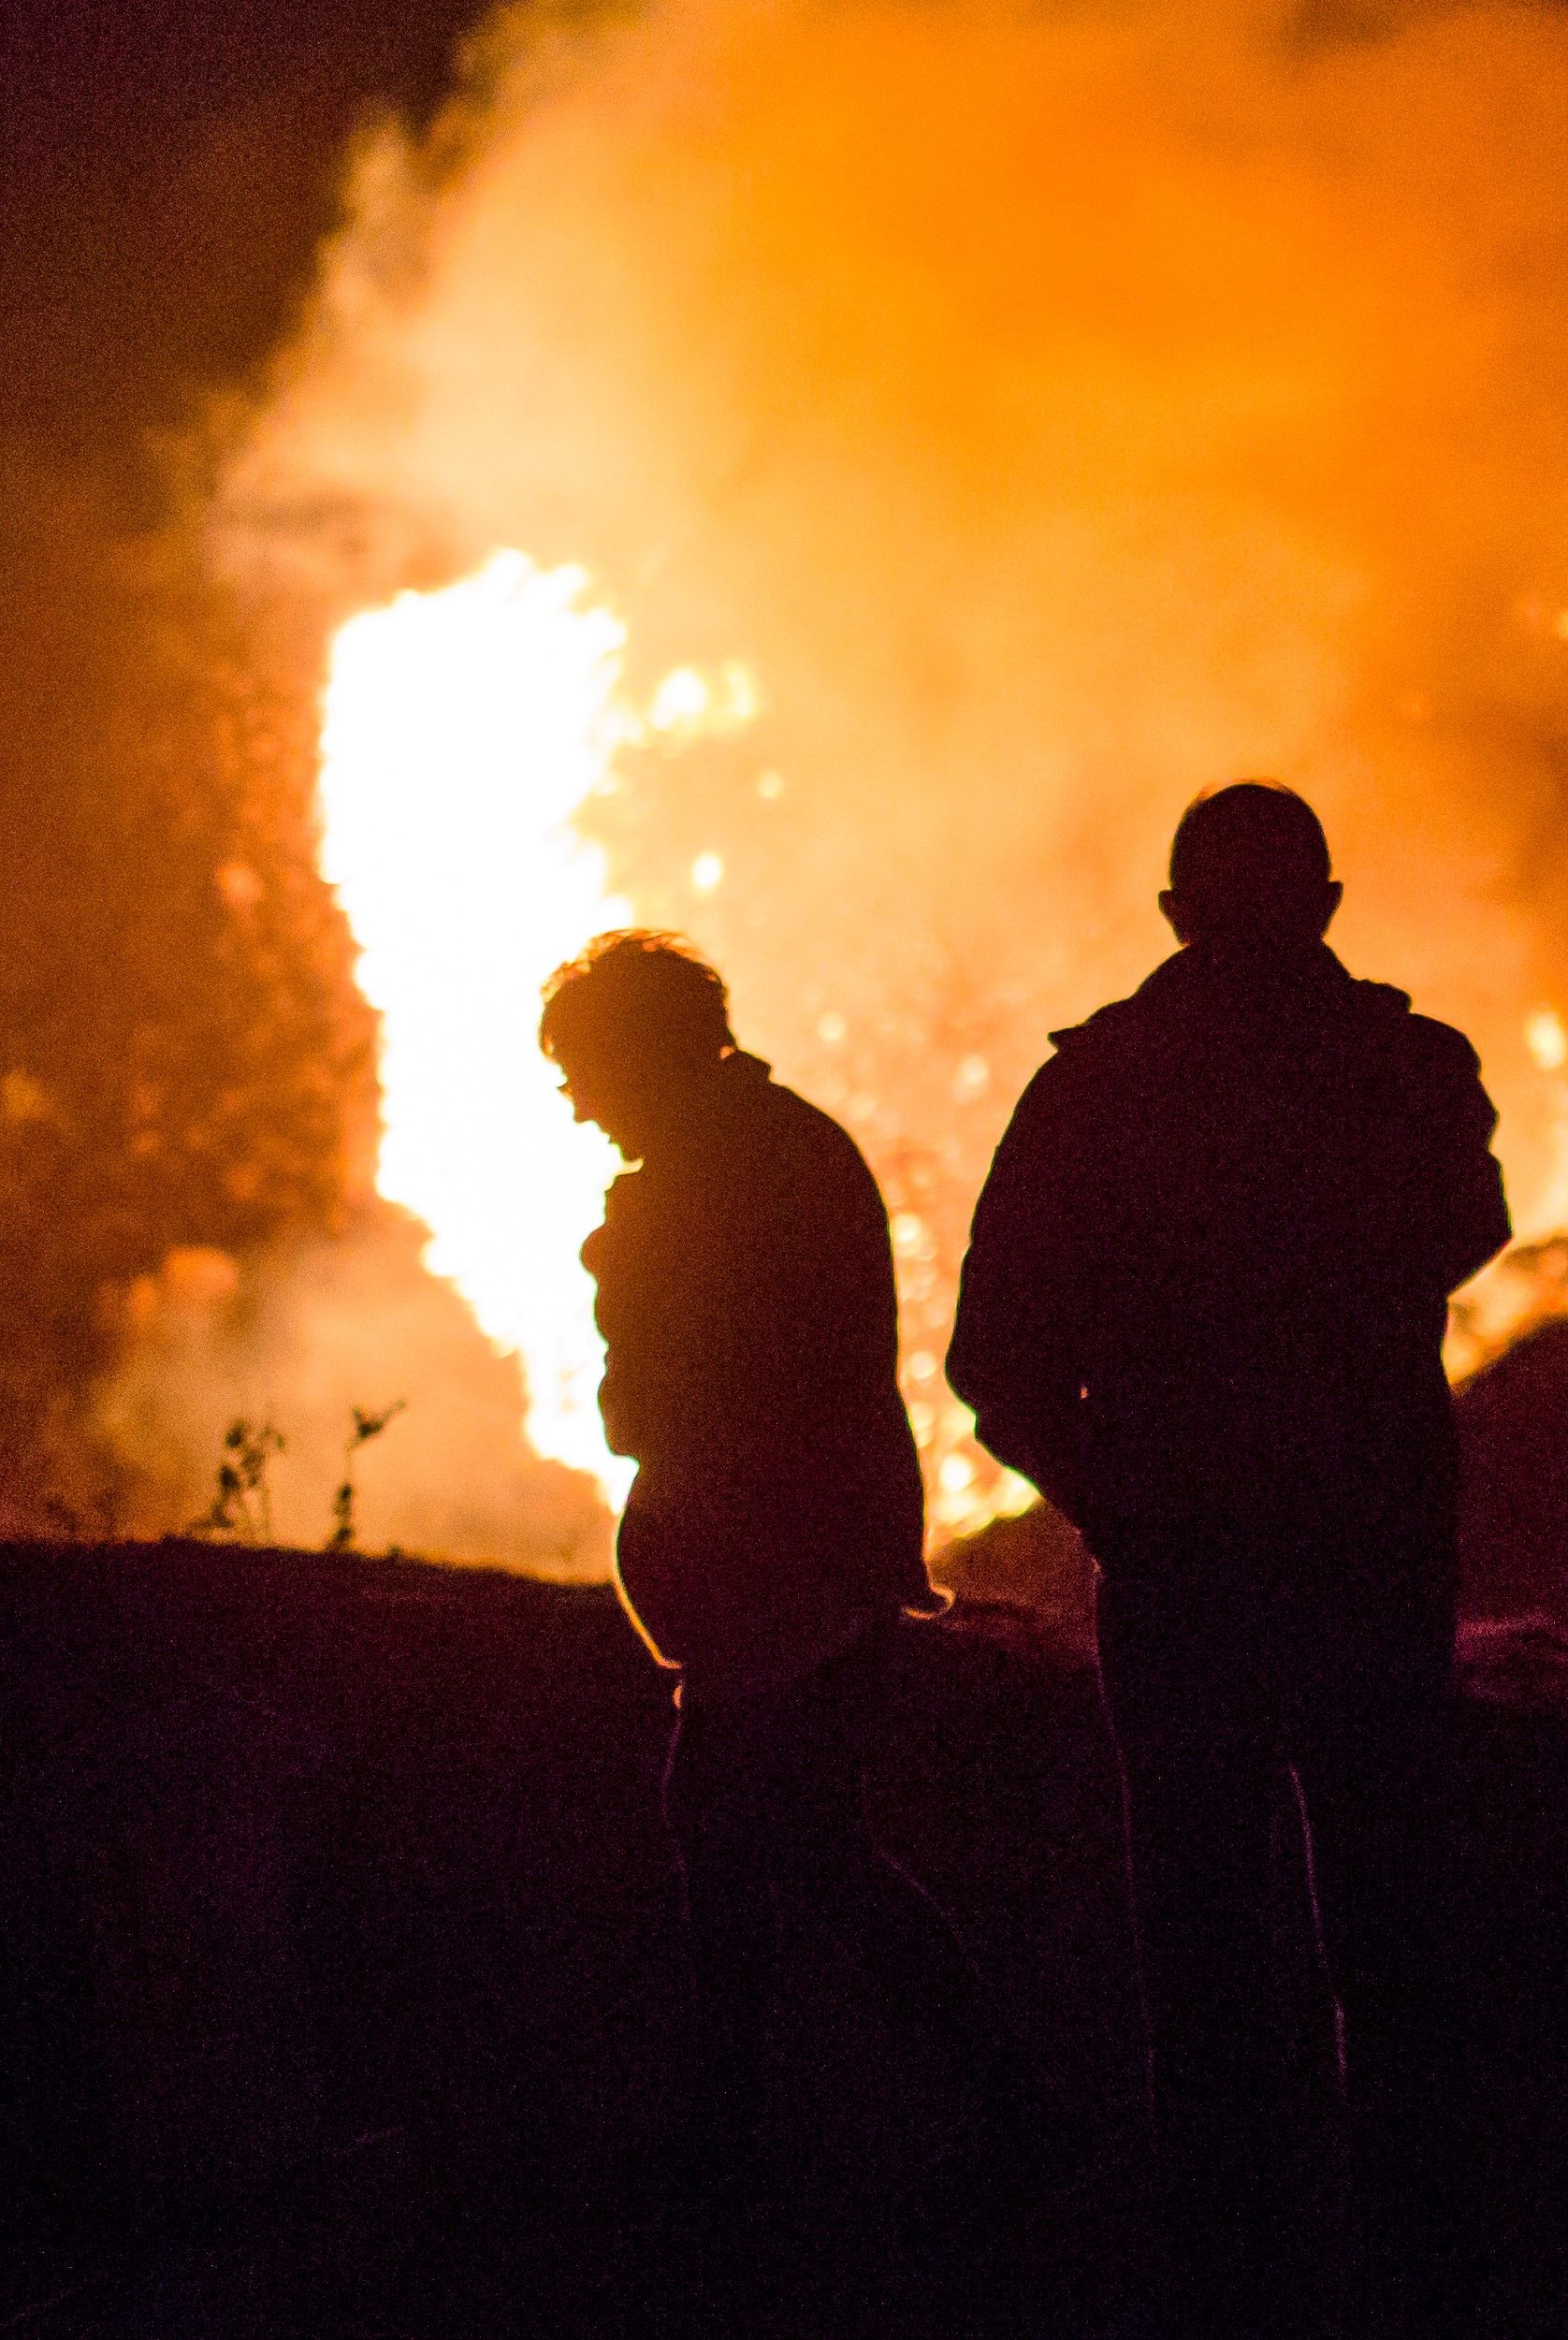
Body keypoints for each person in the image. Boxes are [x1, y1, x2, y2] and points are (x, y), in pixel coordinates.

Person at [951, 784, 1512, 2337]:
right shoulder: (1406, 1068)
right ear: (1327, 905)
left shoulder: (1098, 1091)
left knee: (1198, 1926)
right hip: (1366, 1547)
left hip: (1191, 1570)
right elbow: (1468, 1224)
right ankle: (1418, 2258)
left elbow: (992, 1360)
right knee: (1389, 1913)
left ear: (1174, 917)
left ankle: (1229, 2266)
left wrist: (1124, 1497)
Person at [541, 928, 1031, 2214]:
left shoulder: (714, 1177)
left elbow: (670, 1401)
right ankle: (792, 2121)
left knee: (771, 1844)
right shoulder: (779, 1146)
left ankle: (796, 2131)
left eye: (584, 1066)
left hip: (782, 1576)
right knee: (775, 1844)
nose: (573, 1099)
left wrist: (627, 1286)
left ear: (640, 1051)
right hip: (799, 1569)